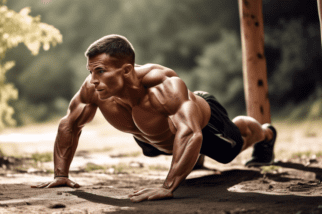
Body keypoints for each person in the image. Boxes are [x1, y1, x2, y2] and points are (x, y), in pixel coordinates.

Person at [31, 34, 277, 202]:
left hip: (203, 121)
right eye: (91, 71)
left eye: (100, 71)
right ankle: (193, 158)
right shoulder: (94, 89)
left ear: (127, 70)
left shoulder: (163, 86)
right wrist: (61, 175)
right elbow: (70, 124)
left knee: (230, 150)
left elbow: (191, 133)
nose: (93, 79)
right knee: (160, 140)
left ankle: (265, 133)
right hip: (157, 136)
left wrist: (167, 187)